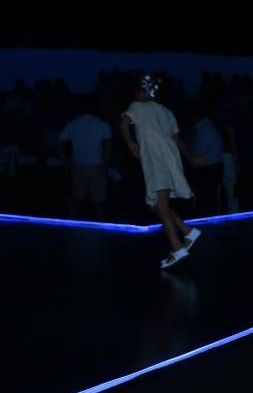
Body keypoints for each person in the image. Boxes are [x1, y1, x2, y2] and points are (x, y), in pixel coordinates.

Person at [120, 75, 203, 269]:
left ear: (143, 92)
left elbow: (123, 123)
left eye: (138, 90)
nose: (136, 94)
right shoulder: (166, 111)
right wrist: (190, 157)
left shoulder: (137, 106)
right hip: (169, 156)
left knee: (161, 206)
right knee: (155, 205)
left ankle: (177, 249)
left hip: (155, 156)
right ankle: (188, 231)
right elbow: (177, 139)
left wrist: (132, 145)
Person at [58, 95, 112, 220]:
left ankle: (68, 226)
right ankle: (104, 230)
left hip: (77, 164)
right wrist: (105, 163)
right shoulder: (102, 124)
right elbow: (108, 145)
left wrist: (65, 161)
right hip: (96, 165)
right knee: (98, 202)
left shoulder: (73, 124)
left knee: (77, 199)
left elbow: (60, 142)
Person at [187, 103, 225, 216]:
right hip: (211, 169)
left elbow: (198, 153)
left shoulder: (204, 129)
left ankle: (208, 226)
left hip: (208, 171)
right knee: (210, 200)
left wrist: (191, 159)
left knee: (207, 202)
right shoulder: (208, 127)